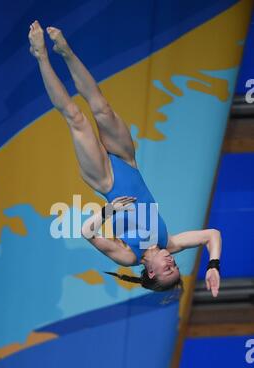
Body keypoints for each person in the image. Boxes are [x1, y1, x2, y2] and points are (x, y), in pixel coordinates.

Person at [28, 21, 222, 296]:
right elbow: (211, 234)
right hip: (128, 162)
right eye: (175, 265)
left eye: (168, 269)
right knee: (101, 107)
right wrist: (213, 265)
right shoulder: (169, 241)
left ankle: (41, 55)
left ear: (151, 272)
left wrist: (109, 211)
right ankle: (66, 52)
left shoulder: (128, 256)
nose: (171, 261)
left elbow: (87, 232)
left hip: (105, 179)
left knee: (76, 118)